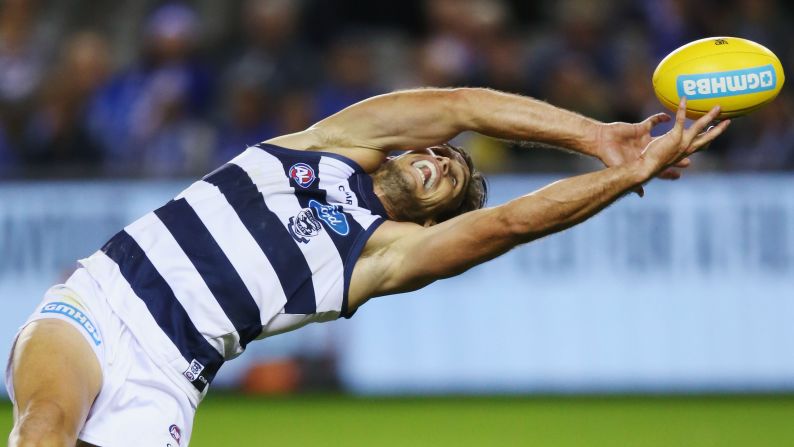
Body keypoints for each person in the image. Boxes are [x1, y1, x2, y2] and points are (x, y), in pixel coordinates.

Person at [6, 87, 729, 446]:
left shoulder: (380, 256)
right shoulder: (328, 143)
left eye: (454, 177)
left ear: (432, 223)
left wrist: (630, 176)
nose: (442, 158)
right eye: (442, 153)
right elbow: (461, 104)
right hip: (96, 306)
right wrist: (599, 136)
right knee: (45, 427)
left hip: (167, 382)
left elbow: (514, 219)